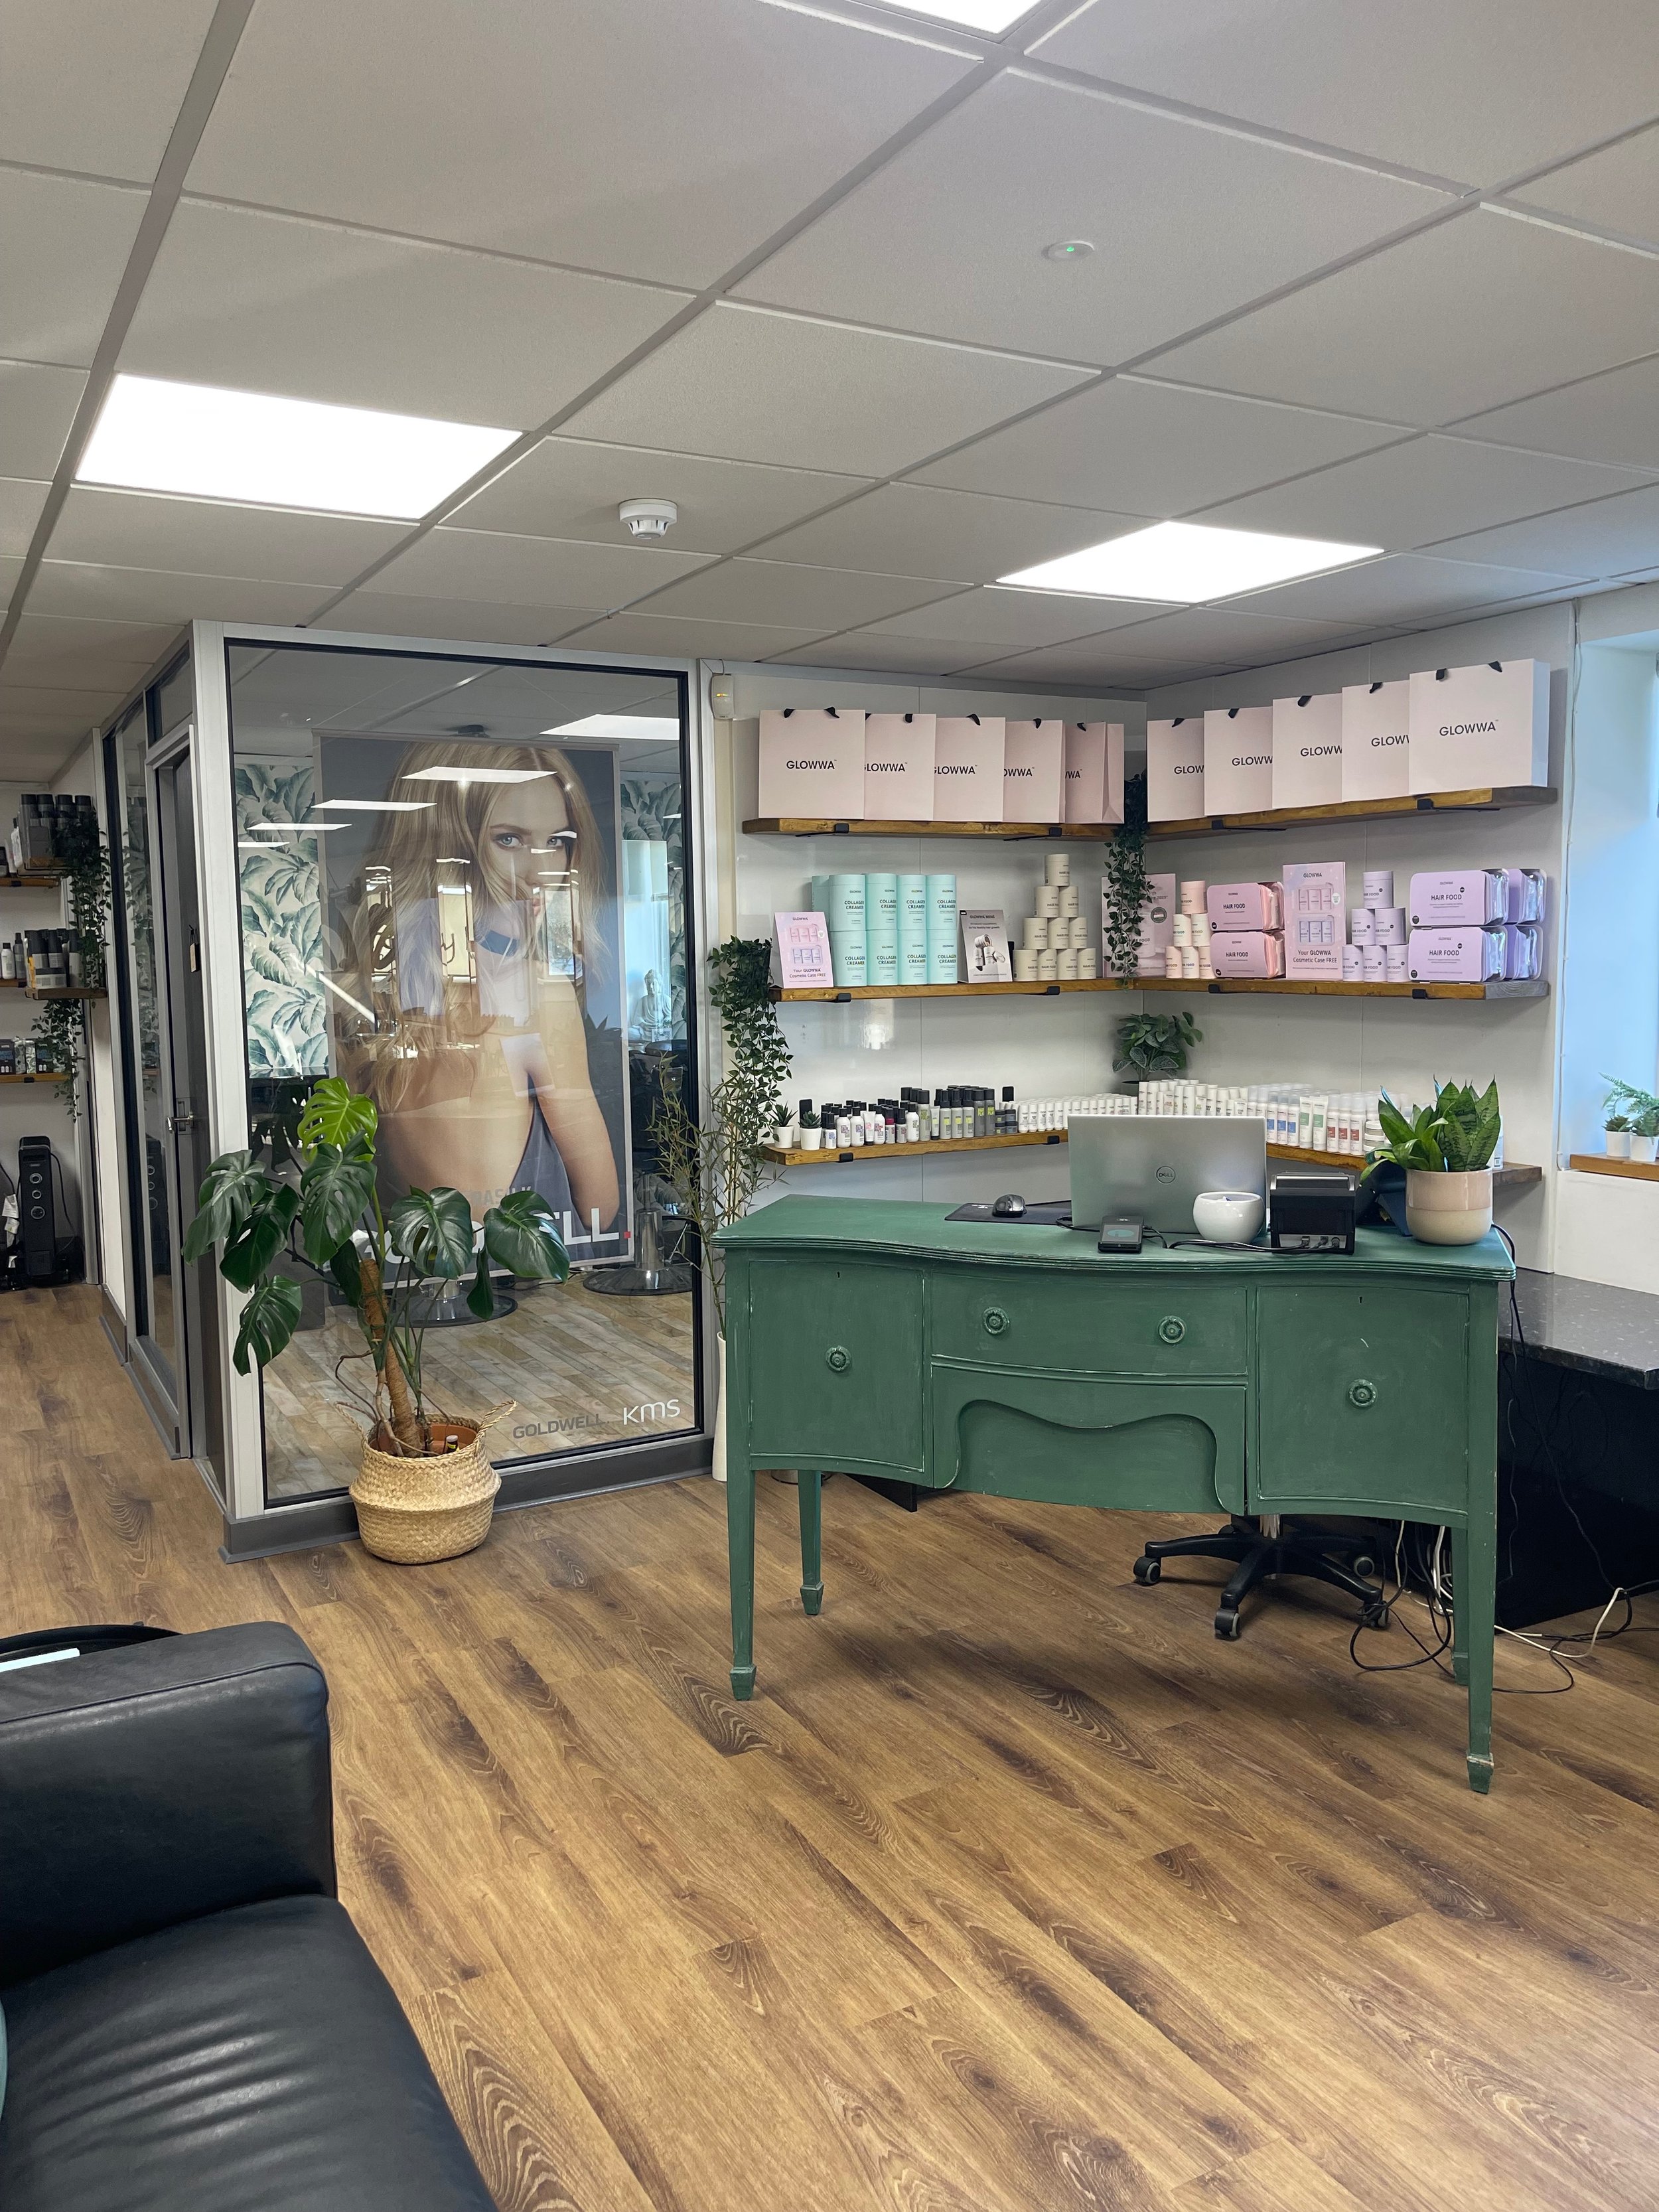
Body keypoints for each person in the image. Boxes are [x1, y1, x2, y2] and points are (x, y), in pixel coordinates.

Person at [334, 738, 620, 1237]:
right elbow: (600, 1206)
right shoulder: (538, 995)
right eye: (508, 839)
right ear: (450, 848)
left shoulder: (358, 995)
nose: (541, 872)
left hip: (407, 1272)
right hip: (510, 1277)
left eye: (557, 841)